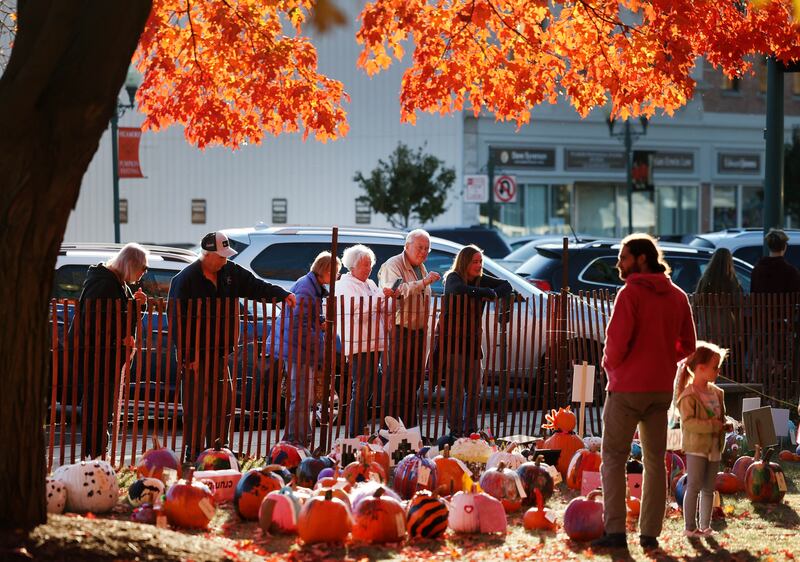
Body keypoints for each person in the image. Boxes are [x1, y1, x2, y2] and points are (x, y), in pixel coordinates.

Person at [593, 233, 696, 551]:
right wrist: (664, 360)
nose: (618, 263)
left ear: (641, 259)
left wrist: (611, 366)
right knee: (655, 461)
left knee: (613, 458)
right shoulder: (678, 296)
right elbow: (688, 346)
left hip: (626, 389)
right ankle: (649, 534)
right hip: (659, 389)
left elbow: (616, 344)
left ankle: (615, 532)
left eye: (623, 257)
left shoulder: (630, 294)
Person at [168, 232, 295, 461]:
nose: (225, 260)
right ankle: (194, 451)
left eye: (227, 256)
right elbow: (177, 321)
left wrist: (281, 294)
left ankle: (218, 448)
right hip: (196, 354)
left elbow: (256, 286)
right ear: (206, 255)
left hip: (219, 352)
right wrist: (188, 356)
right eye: (220, 256)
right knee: (196, 406)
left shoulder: (230, 273)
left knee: (224, 402)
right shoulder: (185, 280)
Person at [69, 243, 149, 458]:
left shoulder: (117, 283)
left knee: (103, 405)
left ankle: (96, 450)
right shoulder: (104, 284)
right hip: (98, 356)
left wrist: (137, 305)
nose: (143, 273)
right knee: (98, 405)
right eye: (143, 268)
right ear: (131, 264)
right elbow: (100, 323)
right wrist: (121, 335)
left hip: (106, 356)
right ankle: (94, 452)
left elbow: (122, 318)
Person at [435, 245, 512, 443]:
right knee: (456, 390)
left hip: (473, 342)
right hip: (453, 343)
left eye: (480, 262)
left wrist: (490, 292)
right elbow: (457, 289)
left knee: (475, 389)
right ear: (465, 262)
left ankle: (471, 429)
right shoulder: (453, 277)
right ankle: (456, 430)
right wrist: (485, 292)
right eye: (474, 262)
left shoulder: (479, 278)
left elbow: (505, 286)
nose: (478, 266)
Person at [269, 251, 340, 445]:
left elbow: (306, 319)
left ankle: (300, 438)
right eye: (336, 272)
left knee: (302, 397)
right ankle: (295, 440)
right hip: (296, 350)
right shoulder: (307, 289)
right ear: (326, 271)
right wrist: (318, 341)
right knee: (300, 397)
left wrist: (320, 322)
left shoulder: (311, 287)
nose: (337, 277)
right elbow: (298, 326)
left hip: (296, 348)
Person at [378, 229, 441, 428]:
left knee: (413, 382)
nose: (423, 252)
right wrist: (424, 282)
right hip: (399, 330)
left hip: (419, 332)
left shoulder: (421, 267)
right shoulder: (393, 264)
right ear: (407, 246)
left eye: (427, 249)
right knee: (396, 383)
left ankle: (409, 431)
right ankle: (389, 431)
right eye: (419, 247)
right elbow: (396, 291)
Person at [674, 341, 729, 538]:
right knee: (694, 486)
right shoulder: (688, 396)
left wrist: (725, 424)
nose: (718, 371)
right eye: (715, 367)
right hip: (697, 448)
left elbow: (720, 417)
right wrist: (712, 426)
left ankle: (705, 527)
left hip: (714, 447)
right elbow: (689, 423)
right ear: (700, 368)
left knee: (709, 489)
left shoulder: (716, 393)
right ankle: (690, 527)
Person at [337, 245, 388, 437]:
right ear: (353, 266)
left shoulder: (371, 284)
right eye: (365, 265)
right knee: (360, 389)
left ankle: (361, 430)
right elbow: (359, 313)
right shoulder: (345, 285)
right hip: (360, 343)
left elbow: (378, 307)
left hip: (375, 341)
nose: (369, 269)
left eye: (370, 265)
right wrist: (381, 296)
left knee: (368, 390)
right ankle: (354, 433)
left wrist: (389, 298)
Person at [750, 228, 800, 294]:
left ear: (769, 246)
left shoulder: (757, 270)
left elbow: (753, 294)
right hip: (785, 304)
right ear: (784, 247)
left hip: (762, 304)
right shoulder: (791, 272)